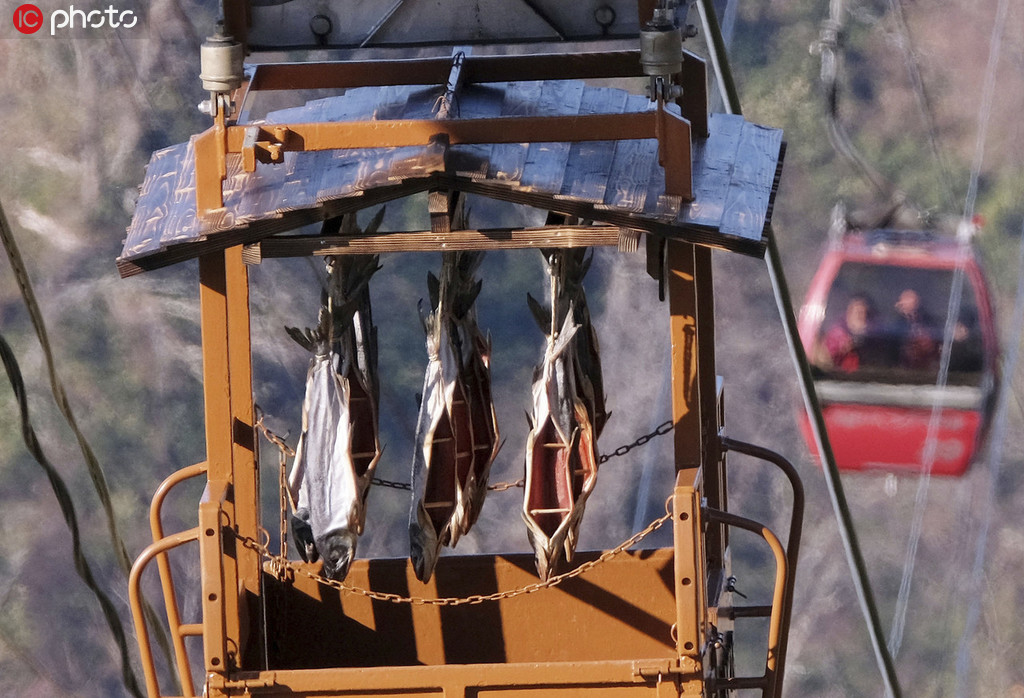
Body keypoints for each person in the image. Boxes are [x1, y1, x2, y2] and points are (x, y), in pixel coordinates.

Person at [819, 294, 877, 372]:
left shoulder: (876, 336)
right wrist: (842, 350)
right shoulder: (836, 336)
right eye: (856, 312)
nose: (860, 316)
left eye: (863, 312)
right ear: (848, 313)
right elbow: (825, 361)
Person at [892, 288, 939, 371]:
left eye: (909, 298)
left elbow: (936, 337)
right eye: (904, 299)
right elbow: (895, 344)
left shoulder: (928, 319)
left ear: (917, 301)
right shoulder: (896, 323)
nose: (906, 302)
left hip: (927, 365)